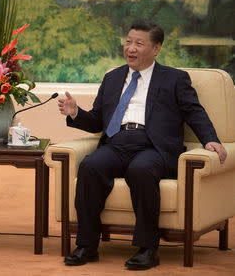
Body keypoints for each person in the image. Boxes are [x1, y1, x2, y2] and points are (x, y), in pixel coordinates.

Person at [57, 20, 227, 270]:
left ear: (156, 48)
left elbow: (194, 112)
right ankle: (87, 246)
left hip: (153, 147)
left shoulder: (175, 79)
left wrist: (210, 139)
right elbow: (97, 121)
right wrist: (75, 113)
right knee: (90, 166)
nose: (131, 48)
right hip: (117, 143)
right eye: (128, 42)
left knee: (141, 170)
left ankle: (148, 248)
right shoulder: (113, 77)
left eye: (139, 43)